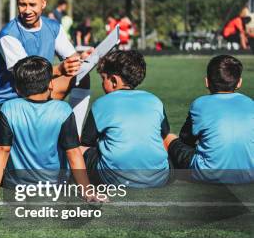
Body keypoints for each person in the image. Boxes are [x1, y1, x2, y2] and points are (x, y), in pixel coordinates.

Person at [0, 56, 104, 202]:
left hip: (17, 185)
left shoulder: (8, 108)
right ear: (51, 84)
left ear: (17, 88)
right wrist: (87, 191)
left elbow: (1, 150)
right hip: (56, 185)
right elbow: (73, 153)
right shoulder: (63, 110)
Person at [0, 0, 91, 136]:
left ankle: (74, 136)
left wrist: (81, 59)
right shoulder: (8, 35)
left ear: (43, 3)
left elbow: (72, 57)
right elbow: (29, 77)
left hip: (41, 91)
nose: (27, 10)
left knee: (82, 73)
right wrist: (60, 69)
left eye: (32, 4)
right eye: (23, 5)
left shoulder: (53, 27)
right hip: (10, 101)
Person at [80, 50, 172, 188]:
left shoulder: (101, 104)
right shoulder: (154, 100)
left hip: (113, 179)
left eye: (103, 78)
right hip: (159, 178)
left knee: (79, 149)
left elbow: (86, 143)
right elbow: (164, 136)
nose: (102, 83)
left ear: (114, 81)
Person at [165, 55, 253, 184]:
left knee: (168, 137)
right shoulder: (250, 104)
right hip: (249, 175)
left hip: (208, 175)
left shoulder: (200, 104)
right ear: (239, 82)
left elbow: (186, 140)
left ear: (207, 82)